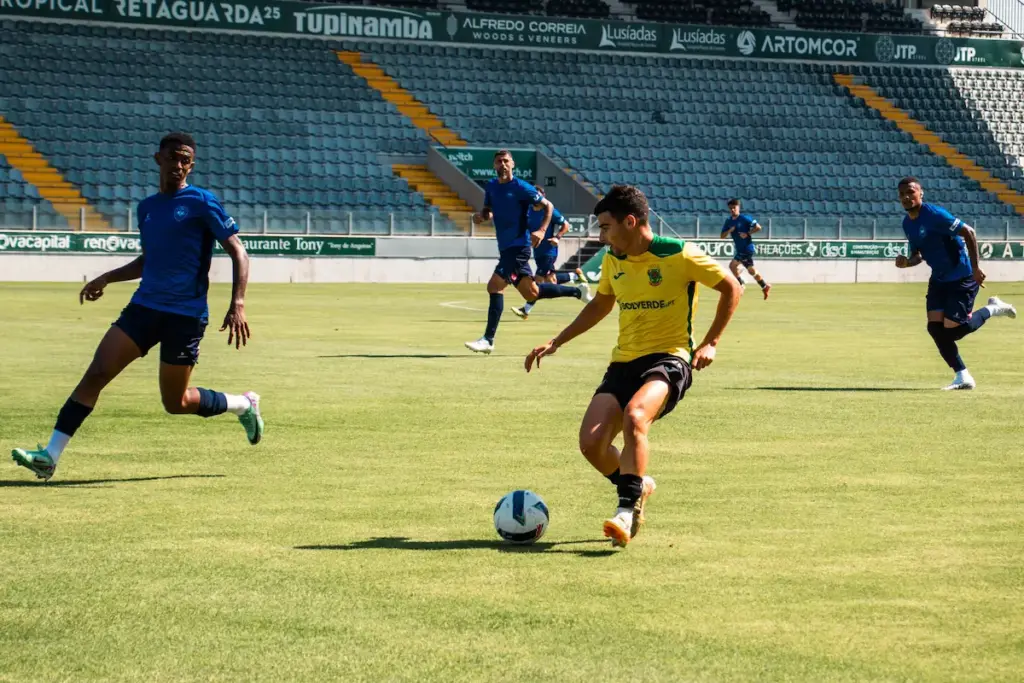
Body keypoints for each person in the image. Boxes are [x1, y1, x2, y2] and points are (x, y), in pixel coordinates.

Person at [11, 132, 264, 481]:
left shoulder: (202, 202)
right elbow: (148, 261)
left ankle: (242, 404)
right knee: (96, 374)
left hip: (185, 316)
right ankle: (49, 456)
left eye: (186, 159)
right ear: (157, 158)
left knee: (175, 403)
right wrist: (107, 278)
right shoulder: (147, 208)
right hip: (143, 308)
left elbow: (239, 251)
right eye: (173, 157)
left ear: (192, 164)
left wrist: (238, 302)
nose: (179, 165)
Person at [525, 185, 741, 547]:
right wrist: (556, 341)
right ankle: (639, 485)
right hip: (623, 361)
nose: (601, 235)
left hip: (669, 358)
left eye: (606, 227)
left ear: (630, 221)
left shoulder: (679, 254)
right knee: (591, 444)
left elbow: (733, 287)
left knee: (636, 416)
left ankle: (626, 511)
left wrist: (711, 343)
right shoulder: (614, 260)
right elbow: (600, 305)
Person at [896, 177, 1016, 390]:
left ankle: (992, 309)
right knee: (934, 328)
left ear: (920, 193)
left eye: (911, 192)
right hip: (939, 279)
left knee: (953, 332)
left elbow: (968, 232)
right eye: (902, 193)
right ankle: (963, 376)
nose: (906, 197)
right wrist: (906, 263)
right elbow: (918, 255)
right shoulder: (908, 224)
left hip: (961, 276)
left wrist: (976, 268)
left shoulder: (935, 215)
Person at [464, 151, 584, 354]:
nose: (502, 164)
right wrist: (482, 216)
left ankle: (488, 339)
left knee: (494, 286)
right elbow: (488, 210)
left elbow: (548, 206)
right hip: (505, 247)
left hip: (519, 247)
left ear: (513, 165)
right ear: (494, 165)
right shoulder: (491, 186)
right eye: (499, 161)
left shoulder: (521, 187)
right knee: (532, 292)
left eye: (506, 161)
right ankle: (577, 291)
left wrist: (541, 230)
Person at [511, 186, 591, 320]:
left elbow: (565, 225)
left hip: (549, 251)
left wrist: (557, 237)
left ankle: (526, 310)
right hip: (537, 251)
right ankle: (575, 276)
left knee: (536, 282)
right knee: (551, 281)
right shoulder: (529, 211)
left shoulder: (550, 211)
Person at [721, 198, 771, 300]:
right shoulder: (728, 221)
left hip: (747, 248)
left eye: (734, 208)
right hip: (740, 249)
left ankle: (741, 283)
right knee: (751, 271)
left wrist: (747, 233)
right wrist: (730, 230)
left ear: (738, 208)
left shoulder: (745, 218)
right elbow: (722, 236)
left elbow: (758, 227)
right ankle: (764, 286)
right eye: (730, 208)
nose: (732, 210)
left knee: (732, 265)